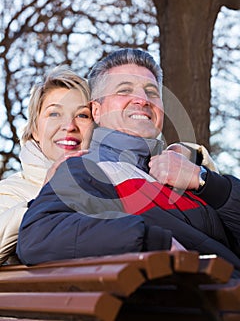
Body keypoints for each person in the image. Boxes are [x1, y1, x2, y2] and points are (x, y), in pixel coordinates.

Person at [16, 48, 240, 277]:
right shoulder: (86, 169)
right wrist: (150, 240)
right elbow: (38, 235)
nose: (142, 100)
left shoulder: (186, 169)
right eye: (124, 90)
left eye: (152, 92)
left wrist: (204, 181)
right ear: (97, 110)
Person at [0, 65, 94, 265]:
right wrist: (46, 197)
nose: (69, 126)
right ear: (34, 129)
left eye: (82, 115)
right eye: (54, 114)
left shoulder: (110, 184)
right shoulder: (11, 191)